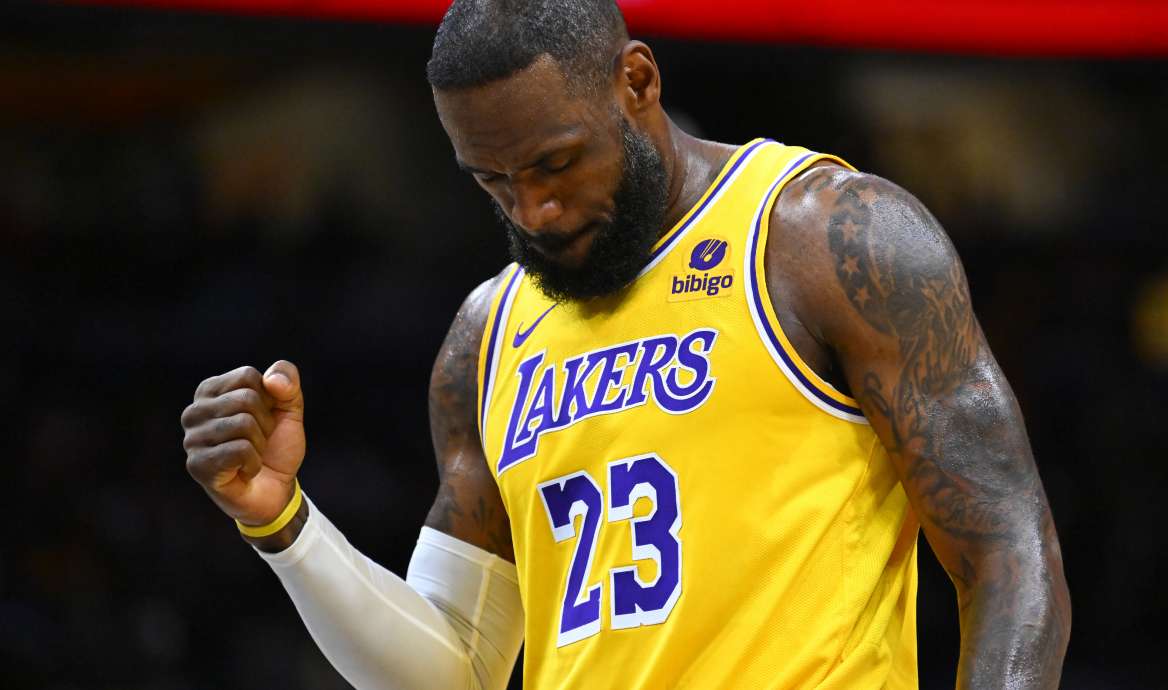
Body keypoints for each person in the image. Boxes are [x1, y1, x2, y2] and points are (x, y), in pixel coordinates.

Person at [180, 1, 1070, 688]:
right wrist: (283, 523)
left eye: (556, 163)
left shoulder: (822, 238)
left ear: (636, 81)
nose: (533, 211)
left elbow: (1008, 551)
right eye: (493, 181)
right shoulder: (486, 339)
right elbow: (455, 670)